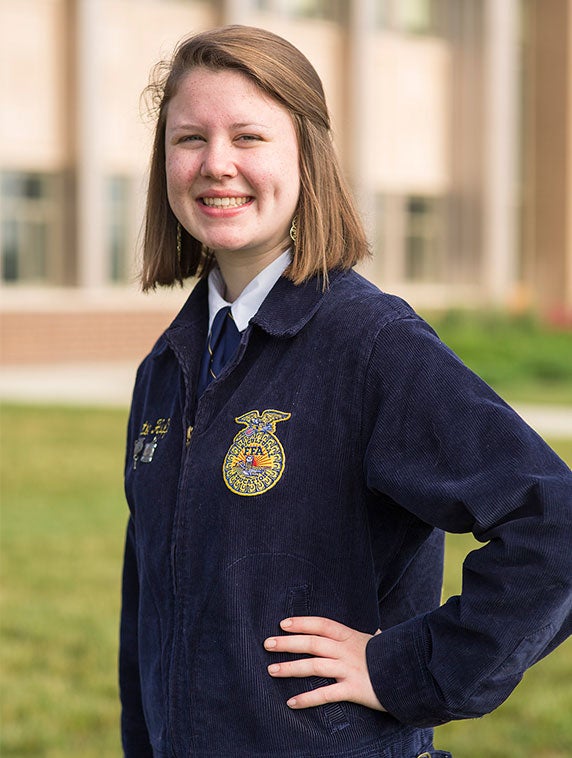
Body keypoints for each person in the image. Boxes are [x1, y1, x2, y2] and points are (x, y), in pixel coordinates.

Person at [119, 24, 572, 758]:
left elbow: (555, 527)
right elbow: (146, 615)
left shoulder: (370, 346)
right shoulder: (165, 369)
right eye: (190, 138)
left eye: (249, 137)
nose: (216, 164)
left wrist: (406, 669)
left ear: (307, 156)